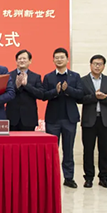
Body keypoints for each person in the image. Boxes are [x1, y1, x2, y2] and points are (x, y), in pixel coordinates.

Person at [43, 48, 83, 189]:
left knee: (68, 150)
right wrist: (56, 91)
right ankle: (50, 178)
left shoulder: (75, 76)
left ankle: (69, 178)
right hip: (53, 119)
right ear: (53, 60)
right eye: (57, 57)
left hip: (69, 119)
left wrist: (68, 90)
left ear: (67, 59)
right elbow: (43, 95)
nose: (59, 60)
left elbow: (80, 95)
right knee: (51, 151)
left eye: (62, 57)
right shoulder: (48, 77)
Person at [80, 54, 107, 188]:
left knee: (104, 150)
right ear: (90, 65)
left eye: (100, 64)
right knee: (88, 150)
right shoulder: (83, 80)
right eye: (95, 64)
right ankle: (88, 178)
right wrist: (94, 97)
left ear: (103, 66)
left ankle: (104, 177)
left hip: (104, 120)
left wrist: (104, 98)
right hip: (89, 120)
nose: (97, 66)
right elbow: (79, 98)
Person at [6, 49, 44, 131]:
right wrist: (16, 86)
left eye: (24, 58)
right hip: (12, 118)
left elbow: (41, 94)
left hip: (29, 119)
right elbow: (5, 94)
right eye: (19, 59)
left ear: (30, 61)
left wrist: (26, 85)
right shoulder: (8, 75)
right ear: (16, 61)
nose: (22, 60)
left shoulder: (36, 77)